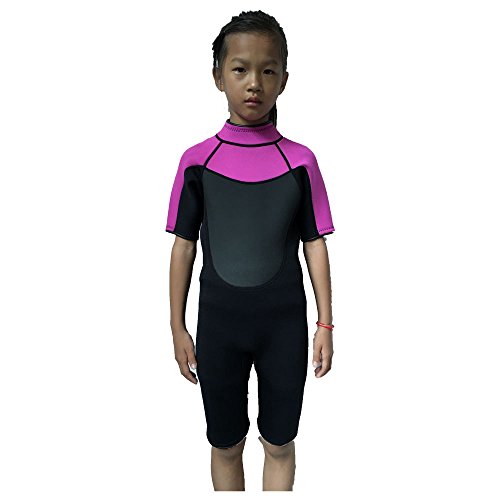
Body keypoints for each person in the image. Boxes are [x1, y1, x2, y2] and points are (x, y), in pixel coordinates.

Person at [165, 10, 335, 491]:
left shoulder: (300, 162)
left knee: (279, 443)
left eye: (268, 70)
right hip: (218, 327)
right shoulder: (197, 162)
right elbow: (183, 246)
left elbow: (315, 242)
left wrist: (325, 323)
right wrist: (177, 326)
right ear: (218, 76)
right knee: (225, 444)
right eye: (240, 69)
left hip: (284, 329)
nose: (254, 83)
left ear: (284, 79)